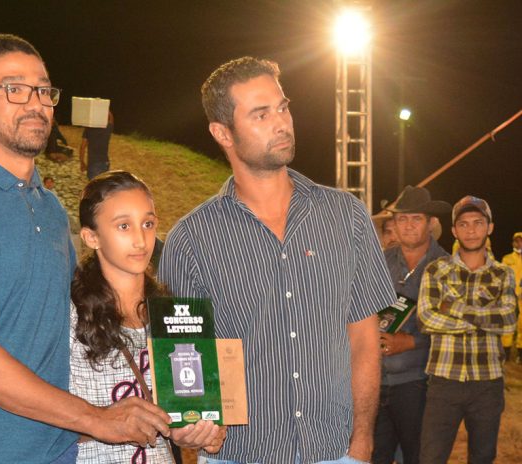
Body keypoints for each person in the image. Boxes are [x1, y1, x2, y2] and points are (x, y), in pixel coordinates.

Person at [0, 33, 172, 463]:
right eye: (15, 88)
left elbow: (83, 327)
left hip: (55, 451)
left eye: (44, 90)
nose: (36, 103)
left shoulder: (50, 209)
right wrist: (96, 418)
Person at [158, 57, 396, 464]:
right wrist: (191, 424)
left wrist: (361, 441)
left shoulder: (346, 216)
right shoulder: (191, 239)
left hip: (336, 452)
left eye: (283, 108)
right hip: (240, 454)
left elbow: (363, 337)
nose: (282, 123)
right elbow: (183, 350)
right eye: (261, 114)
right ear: (222, 133)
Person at [71, 171, 225, 462]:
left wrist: (198, 432)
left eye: (148, 224)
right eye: (124, 226)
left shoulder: (175, 315)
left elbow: (188, 412)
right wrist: (102, 421)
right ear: (91, 237)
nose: (141, 240)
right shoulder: (69, 317)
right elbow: (39, 418)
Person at [418, 196, 517, 464]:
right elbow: (427, 319)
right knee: (430, 457)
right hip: (444, 380)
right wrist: (481, 322)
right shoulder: (436, 270)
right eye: (463, 224)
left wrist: (454, 308)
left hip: (487, 383)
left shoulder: (503, 274)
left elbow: (508, 321)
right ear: (454, 230)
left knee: (482, 457)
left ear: (490, 227)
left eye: (478, 223)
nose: (471, 230)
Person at [371, 186, 450, 464]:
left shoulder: (447, 267)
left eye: (416, 218)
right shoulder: (382, 261)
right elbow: (363, 309)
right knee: (376, 455)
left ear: (431, 223)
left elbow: (456, 329)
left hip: (421, 383)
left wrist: (412, 341)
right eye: (401, 219)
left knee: (418, 456)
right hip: (378, 380)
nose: (407, 225)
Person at [501, 231, 522, 362]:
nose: (519, 243)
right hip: (509, 296)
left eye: (521, 241)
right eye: (516, 241)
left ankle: (520, 353)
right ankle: (505, 352)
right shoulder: (507, 259)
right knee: (507, 324)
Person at [80, 111, 114, 179]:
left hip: (93, 164)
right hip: (105, 162)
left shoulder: (88, 129)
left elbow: (82, 147)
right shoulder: (107, 128)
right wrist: (105, 109)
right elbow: (111, 119)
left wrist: (82, 162)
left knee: (93, 184)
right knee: (103, 184)